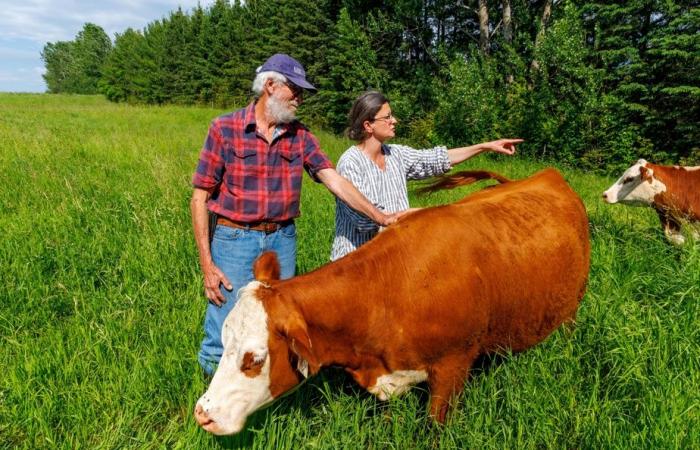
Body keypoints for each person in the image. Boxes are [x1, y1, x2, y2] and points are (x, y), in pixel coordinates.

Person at [191, 55, 402, 375]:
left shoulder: (300, 136)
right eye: (295, 90)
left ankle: (271, 394)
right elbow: (200, 197)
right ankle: (209, 400)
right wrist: (207, 265)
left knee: (279, 327)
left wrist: (380, 217)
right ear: (270, 86)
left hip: (281, 239)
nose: (300, 98)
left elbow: (333, 179)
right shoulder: (225, 128)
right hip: (233, 239)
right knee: (224, 327)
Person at [331, 90, 522, 261]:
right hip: (355, 264)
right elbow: (364, 222)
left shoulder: (395, 154)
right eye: (387, 117)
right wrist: (428, 216)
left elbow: (435, 159)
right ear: (368, 125)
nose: (394, 121)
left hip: (391, 258)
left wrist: (484, 146)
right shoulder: (350, 163)